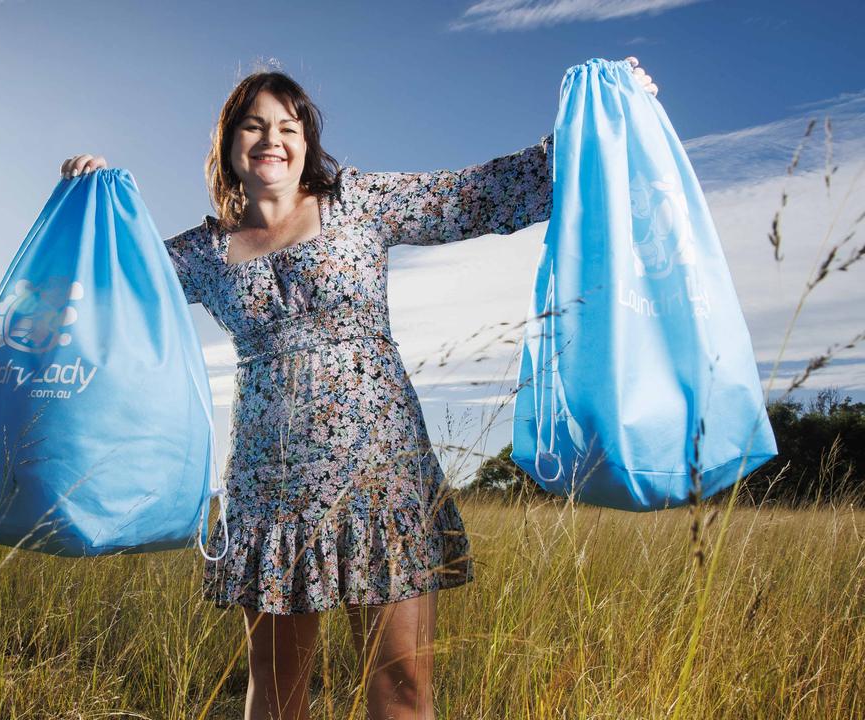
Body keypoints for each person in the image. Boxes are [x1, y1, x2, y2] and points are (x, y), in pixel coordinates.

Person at [60, 58, 658, 720]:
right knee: (277, 695)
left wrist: (607, 113)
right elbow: (106, 281)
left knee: (401, 689)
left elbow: (479, 193)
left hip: (383, 479)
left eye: (288, 127)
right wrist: (87, 196)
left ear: (307, 140)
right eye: (254, 127)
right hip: (273, 488)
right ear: (228, 144)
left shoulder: (359, 203)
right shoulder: (200, 254)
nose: (272, 140)